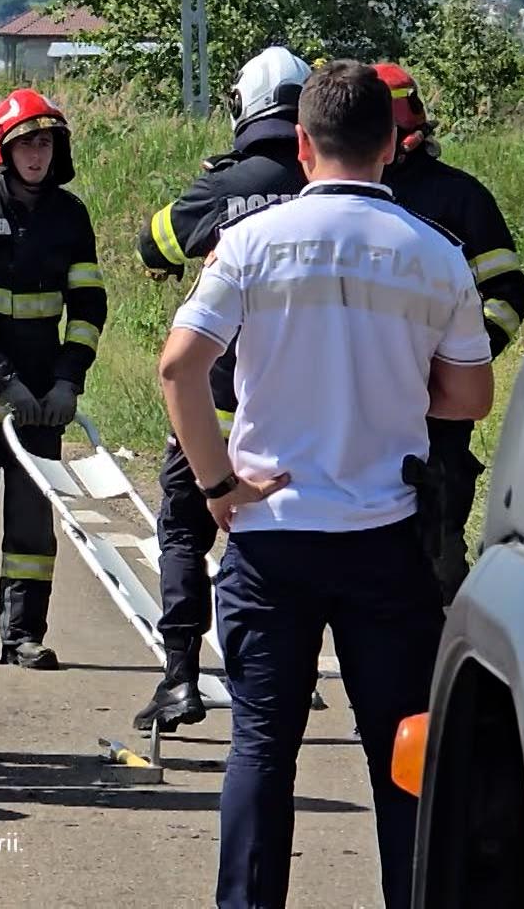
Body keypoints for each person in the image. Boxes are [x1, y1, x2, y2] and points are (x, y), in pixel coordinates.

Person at [156, 61, 494, 909]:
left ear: (303, 145)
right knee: (399, 751)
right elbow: (469, 396)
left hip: (271, 535)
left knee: (262, 748)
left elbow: (179, 369)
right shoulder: (435, 252)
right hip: (386, 535)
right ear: (391, 145)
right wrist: (394, 384)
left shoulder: (250, 242)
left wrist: (218, 485)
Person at [131, 46, 311, 733]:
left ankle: (180, 678)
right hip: (295, 407)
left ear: (244, 106)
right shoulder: (323, 184)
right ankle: (282, 675)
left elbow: (153, 246)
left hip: (212, 404)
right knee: (286, 535)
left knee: (184, 530)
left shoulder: (224, 187)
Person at [0, 88, 106, 670]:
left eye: (46, 144)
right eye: (26, 144)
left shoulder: (70, 217)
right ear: (3, 151)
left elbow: (88, 308)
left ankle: (24, 635)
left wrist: (67, 382)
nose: (37, 154)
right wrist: (4, 381)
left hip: (40, 406)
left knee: (33, 530)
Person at [375, 63, 524, 601]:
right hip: (361, 412)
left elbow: (508, 292)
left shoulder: (459, 198)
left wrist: (463, 360)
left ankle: (444, 641)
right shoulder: (338, 195)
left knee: (437, 552)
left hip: (436, 413)